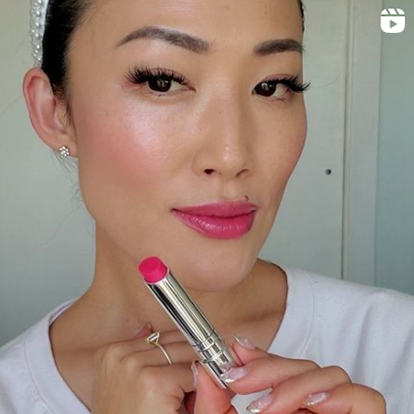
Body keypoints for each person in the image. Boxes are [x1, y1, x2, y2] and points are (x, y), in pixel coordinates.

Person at [1, 0, 413, 413]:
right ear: (54, 112)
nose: (232, 156)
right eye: (162, 81)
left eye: (271, 86)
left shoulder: (398, 349)